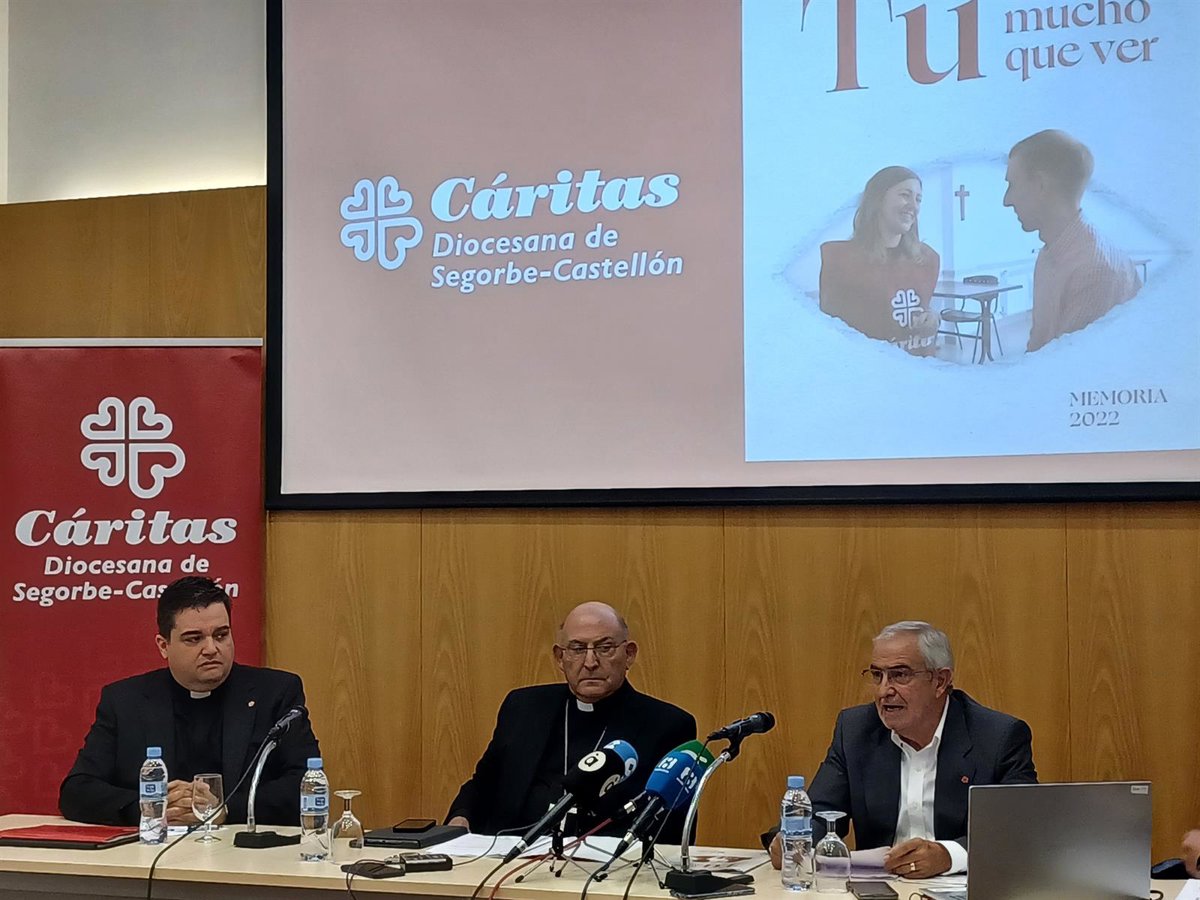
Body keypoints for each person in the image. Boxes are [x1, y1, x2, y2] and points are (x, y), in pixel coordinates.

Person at [767, 621, 1036, 878]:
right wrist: (792, 841)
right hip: (879, 887)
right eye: (877, 675)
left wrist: (949, 855)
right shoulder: (856, 730)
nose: (884, 691)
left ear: (940, 681)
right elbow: (821, 811)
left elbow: (1021, 829)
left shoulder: (997, 737)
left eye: (900, 675)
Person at [59, 576, 319, 827]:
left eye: (221, 635)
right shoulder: (125, 701)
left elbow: (307, 782)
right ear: (164, 645)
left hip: (242, 848)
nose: (211, 649)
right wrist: (151, 807)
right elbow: (76, 790)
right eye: (194, 639)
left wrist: (225, 809)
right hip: (153, 848)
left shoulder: (275, 693)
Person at [446, 602, 696, 839]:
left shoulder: (667, 726)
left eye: (605, 648)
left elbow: (670, 826)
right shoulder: (523, 708)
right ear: (559, 657)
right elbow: (483, 785)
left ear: (629, 654)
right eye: (577, 649)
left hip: (604, 865)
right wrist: (460, 818)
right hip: (509, 854)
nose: (590, 662)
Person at [1003, 129, 1141, 352]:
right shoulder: (1049, 253)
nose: (1006, 200)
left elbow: (1070, 367)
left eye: (1012, 185)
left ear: (1040, 185)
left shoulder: (1094, 269)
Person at [819, 166, 942, 355]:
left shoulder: (927, 260)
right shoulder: (841, 260)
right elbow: (829, 332)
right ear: (878, 199)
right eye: (905, 195)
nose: (913, 206)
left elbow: (921, 307)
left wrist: (932, 319)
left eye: (918, 199)